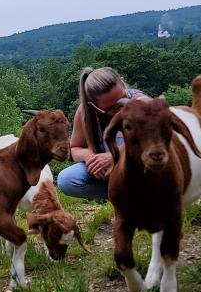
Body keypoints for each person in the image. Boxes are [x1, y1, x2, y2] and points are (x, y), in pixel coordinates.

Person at [55, 66, 149, 200]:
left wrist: (114, 156)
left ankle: (149, 197)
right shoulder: (84, 112)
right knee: (67, 180)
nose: (121, 109)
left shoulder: (143, 104)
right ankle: (123, 197)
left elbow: (165, 141)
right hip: (112, 173)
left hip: (142, 167)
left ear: (122, 82)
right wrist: (91, 158)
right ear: (93, 105)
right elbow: (74, 148)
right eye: (111, 108)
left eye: (123, 99)